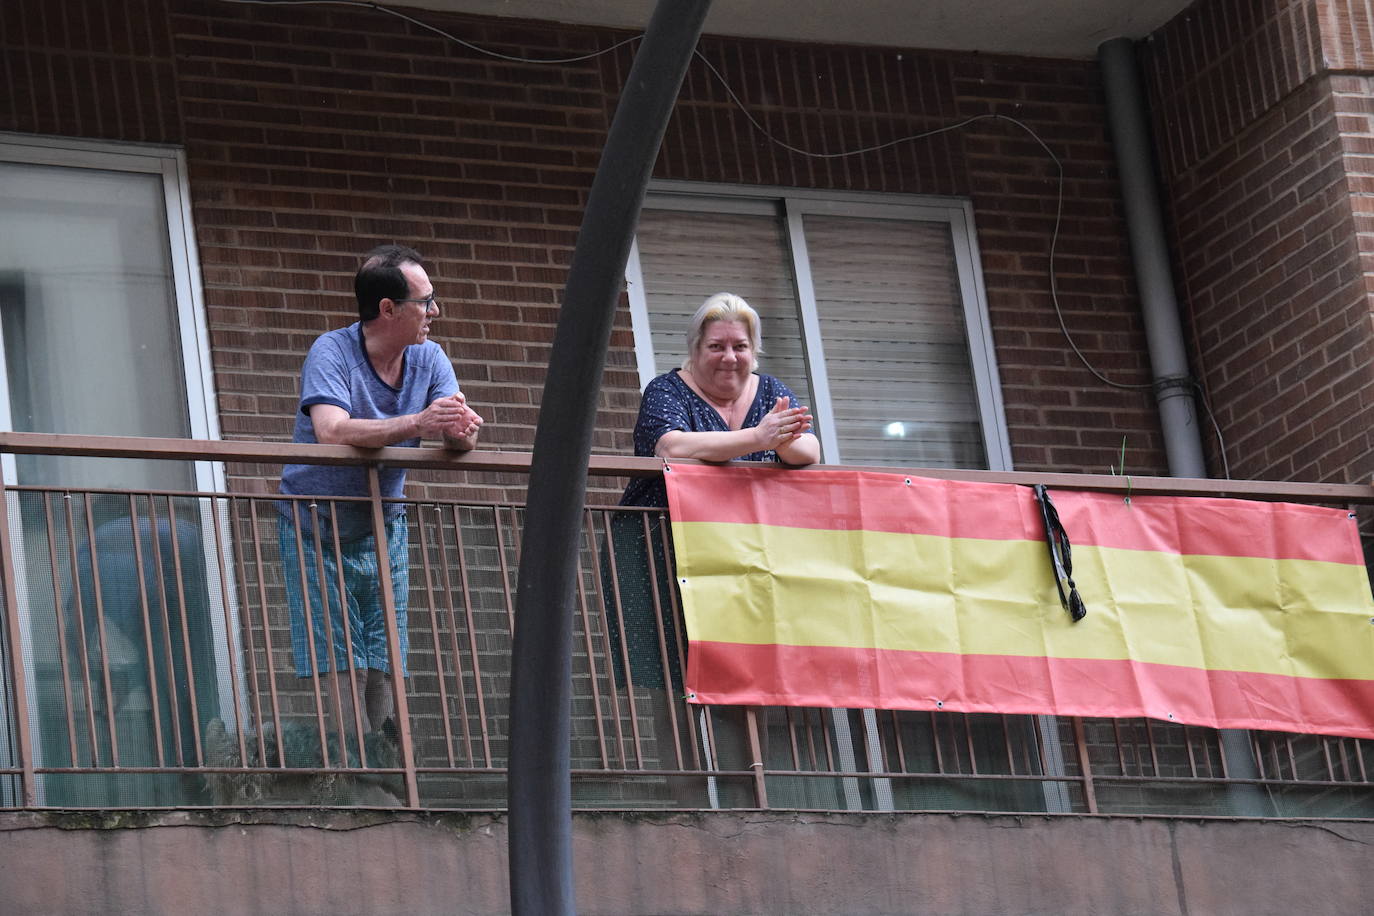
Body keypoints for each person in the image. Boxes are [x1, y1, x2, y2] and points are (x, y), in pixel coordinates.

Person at [609, 292, 818, 804]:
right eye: (717, 346)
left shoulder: (770, 392)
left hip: (743, 557)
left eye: (740, 347)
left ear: (755, 351)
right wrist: (759, 437)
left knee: (744, 672)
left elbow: (808, 451)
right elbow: (669, 446)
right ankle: (689, 802)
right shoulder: (667, 389)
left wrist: (778, 438)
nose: (729, 357)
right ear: (696, 350)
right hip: (657, 551)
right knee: (671, 678)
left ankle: (749, 795)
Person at [278, 244, 482, 746]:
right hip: (314, 523)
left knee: (384, 654)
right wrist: (418, 422)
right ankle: (353, 767)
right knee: (339, 658)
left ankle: (382, 761)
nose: (434, 312)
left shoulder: (430, 356)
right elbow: (331, 430)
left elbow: (462, 436)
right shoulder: (332, 350)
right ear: (388, 309)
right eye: (425, 301)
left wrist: (458, 428)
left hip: (382, 522)